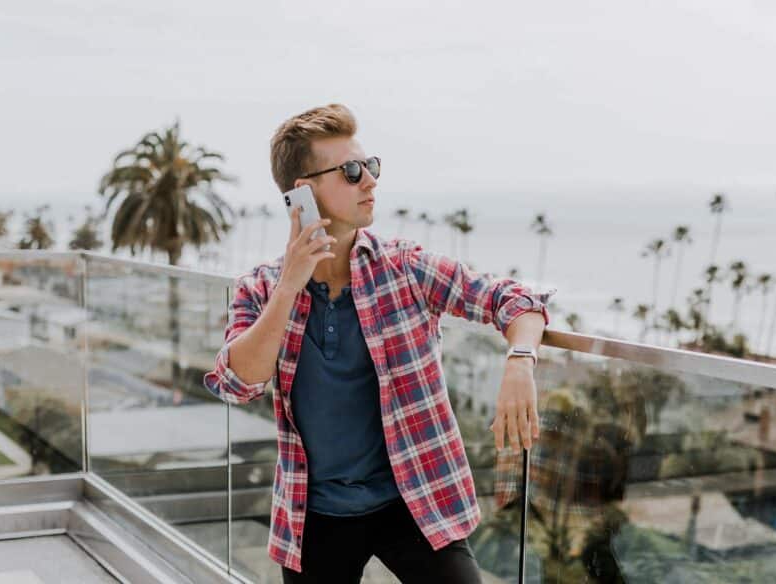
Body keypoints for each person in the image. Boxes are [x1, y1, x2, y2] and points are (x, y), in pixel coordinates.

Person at [202, 103, 551, 583]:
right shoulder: (260, 289)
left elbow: (516, 300)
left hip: (413, 500)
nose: (369, 180)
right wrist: (289, 286)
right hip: (316, 513)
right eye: (350, 171)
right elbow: (237, 381)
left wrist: (519, 362)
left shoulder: (404, 268)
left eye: (371, 166)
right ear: (302, 192)